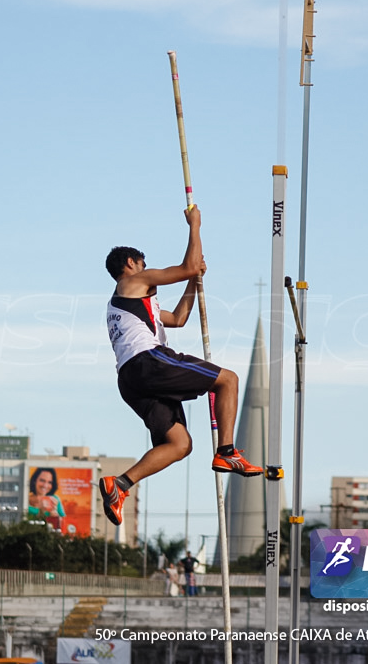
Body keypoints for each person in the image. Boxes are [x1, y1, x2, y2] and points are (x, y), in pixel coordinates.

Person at [101, 205, 262, 526]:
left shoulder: (129, 303)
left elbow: (177, 319)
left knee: (179, 444)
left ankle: (119, 485)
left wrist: (194, 282)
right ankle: (227, 451)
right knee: (227, 380)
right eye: (144, 264)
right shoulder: (133, 281)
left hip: (131, 379)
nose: (150, 271)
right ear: (131, 264)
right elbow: (187, 265)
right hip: (147, 361)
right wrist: (195, 226)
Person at [27, 467, 65, 532]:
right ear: (35, 481)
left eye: (49, 482)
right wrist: (41, 512)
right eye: (42, 480)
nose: (45, 485)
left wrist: (55, 516)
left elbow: (65, 524)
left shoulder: (55, 499)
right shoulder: (26, 501)